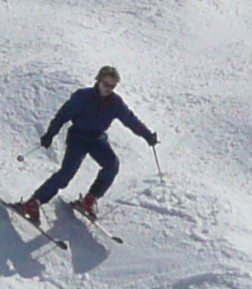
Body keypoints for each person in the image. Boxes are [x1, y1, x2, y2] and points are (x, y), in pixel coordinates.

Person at [17, 66, 157, 223]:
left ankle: (90, 199)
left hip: (97, 139)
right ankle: (33, 203)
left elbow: (130, 120)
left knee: (112, 164)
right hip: (78, 137)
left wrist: (147, 136)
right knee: (67, 173)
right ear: (98, 81)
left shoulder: (115, 102)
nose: (108, 89)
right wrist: (50, 134)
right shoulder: (83, 97)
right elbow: (62, 116)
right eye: (106, 84)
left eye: (112, 86)